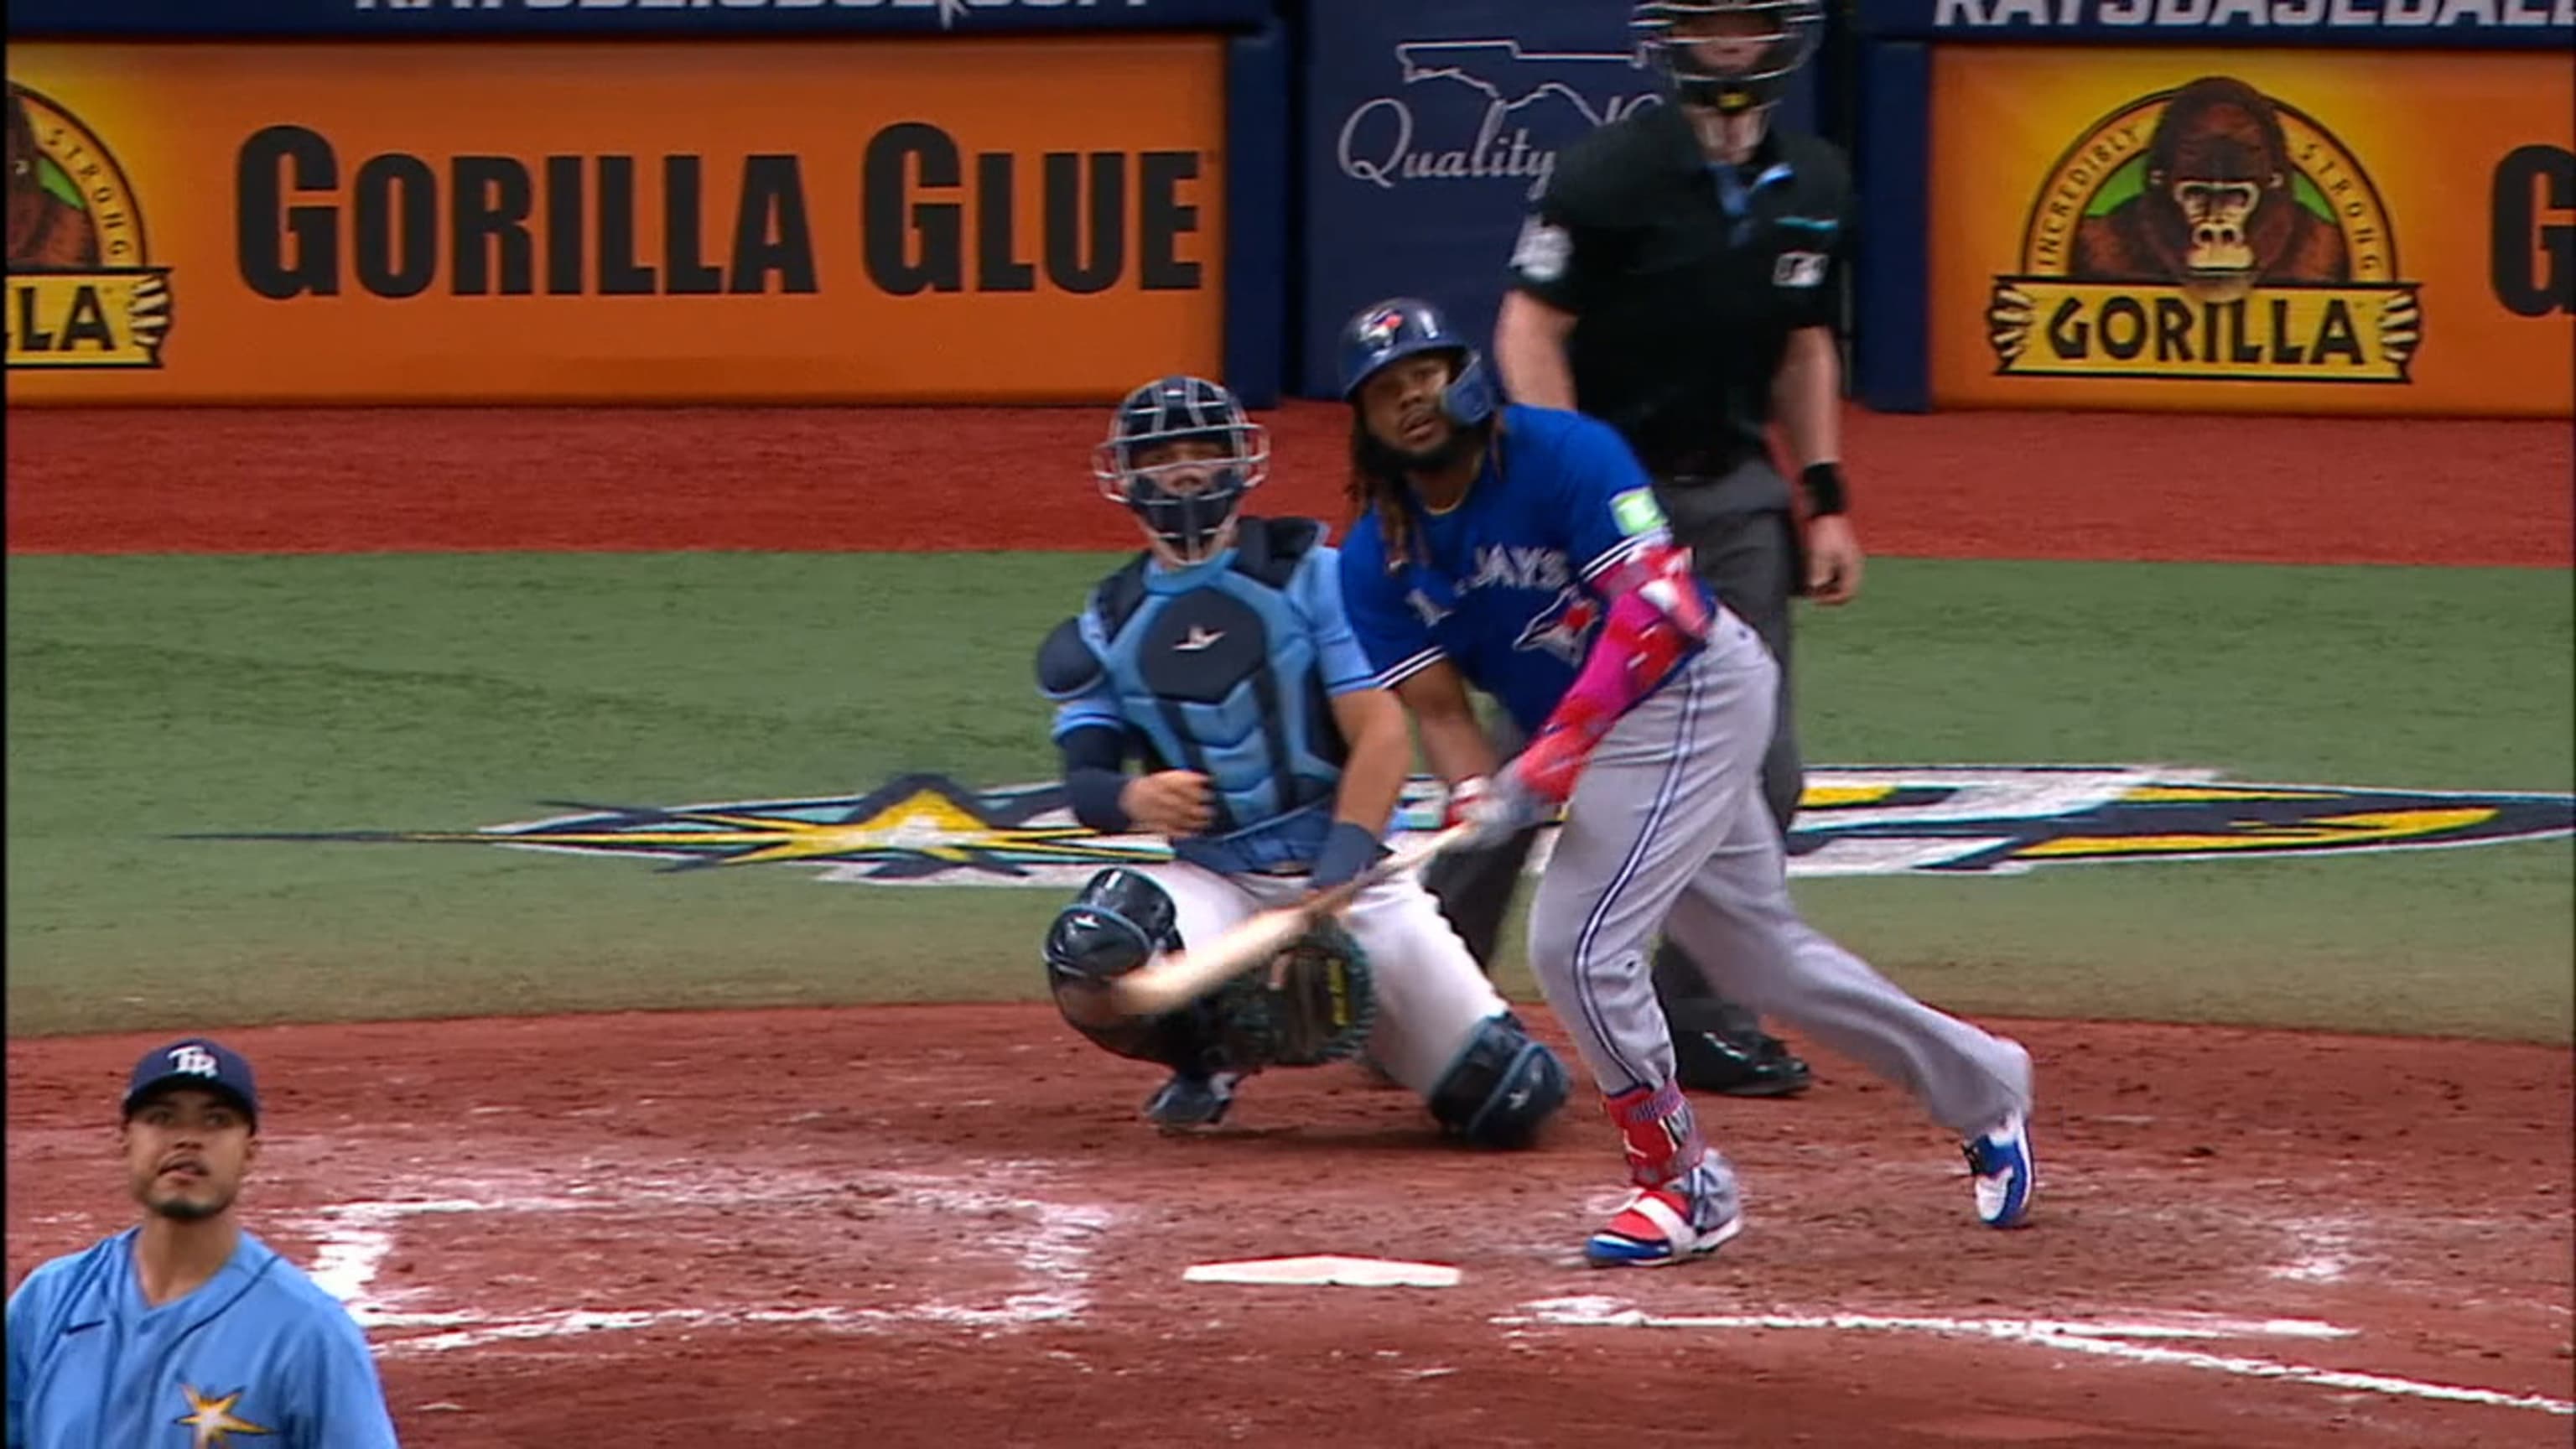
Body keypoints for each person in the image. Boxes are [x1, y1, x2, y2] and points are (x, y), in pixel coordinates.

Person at [1330, 297, 2036, 1266]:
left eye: (1425, 376)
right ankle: (1986, 1086)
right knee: (1759, 961)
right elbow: (1445, 711)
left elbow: (1656, 606)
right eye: (1385, 394)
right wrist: (1472, 797)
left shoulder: (1565, 453)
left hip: (1688, 690)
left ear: (1466, 378)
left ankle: (1681, 1183)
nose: (1412, 402)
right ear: (1363, 422)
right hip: (1609, 731)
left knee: (1576, 944)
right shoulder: (1376, 557)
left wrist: (1552, 758)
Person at [1424, 0, 1865, 1100]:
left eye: (1750, 18)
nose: (1730, 38)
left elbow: (1805, 344)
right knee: (1535, 751)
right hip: (1615, 502)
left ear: (1779, 35)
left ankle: (1705, 1014)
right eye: (1711, 17)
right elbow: (1530, 327)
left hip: (1733, 507)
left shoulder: (1814, 181)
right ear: (1676, 36)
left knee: (1761, 769)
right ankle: (1422, 988)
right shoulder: (1607, 172)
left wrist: (1825, 498)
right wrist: (1577, 490)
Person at [1034, 375, 1571, 1149]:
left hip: (1352, 878)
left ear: (1240, 463)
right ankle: (1209, 1052)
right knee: (1096, 945)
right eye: (1161, 457)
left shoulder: (1315, 574)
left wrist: (1335, 880)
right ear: (1125, 477)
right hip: (1214, 881)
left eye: (1203, 452)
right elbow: (1085, 781)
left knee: (1511, 1100)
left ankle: (1412, 1029)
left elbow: (1381, 735)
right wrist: (1134, 798)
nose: (1184, 471)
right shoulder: (1103, 624)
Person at [6, 1037, 403, 1447]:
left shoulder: (307, 1333)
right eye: (162, 1118)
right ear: (124, 1140)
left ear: (250, 1151)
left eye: (216, 1121)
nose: (188, 1140)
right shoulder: (48, 1302)